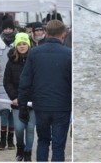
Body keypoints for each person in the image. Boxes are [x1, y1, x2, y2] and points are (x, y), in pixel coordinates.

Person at [18, 20, 71, 162]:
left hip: (41, 106)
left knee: (43, 141)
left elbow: (25, 81)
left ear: (46, 33)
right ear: (63, 34)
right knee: (58, 147)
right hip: (62, 106)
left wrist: (22, 106)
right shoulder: (68, 54)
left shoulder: (34, 53)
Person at [4, 33, 36, 161]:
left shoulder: (34, 60)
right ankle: (20, 147)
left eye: (24, 44)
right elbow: (7, 81)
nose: (22, 46)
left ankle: (28, 152)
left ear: (28, 45)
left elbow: (38, 80)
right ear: (16, 46)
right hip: (17, 101)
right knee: (18, 128)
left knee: (30, 128)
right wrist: (14, 97)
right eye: (19, 44)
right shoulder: (11, 61)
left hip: (32, 102)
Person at [0, 18, 17, 151]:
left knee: (12, 111)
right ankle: (2, 140)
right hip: (2, 81)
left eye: (9, 28)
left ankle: (10, 140)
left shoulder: (19, 42)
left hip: (15, 81)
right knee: (5, 111)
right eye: (5, 28)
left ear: (13, 28)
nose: (7, 30)